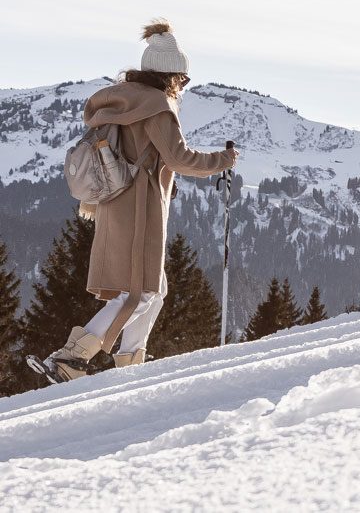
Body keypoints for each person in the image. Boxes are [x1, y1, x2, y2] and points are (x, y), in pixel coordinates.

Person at [31, 21, 237, 384]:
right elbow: (179, 158)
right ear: (169, 75)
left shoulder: (122, 100)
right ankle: (70, 357)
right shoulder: (157, 105)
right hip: (140, 207)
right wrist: (223, 160)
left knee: (154, 290)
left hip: (114, 202)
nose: (181, 85)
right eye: (181, 79)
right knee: (140, 291)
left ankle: (130, 365)